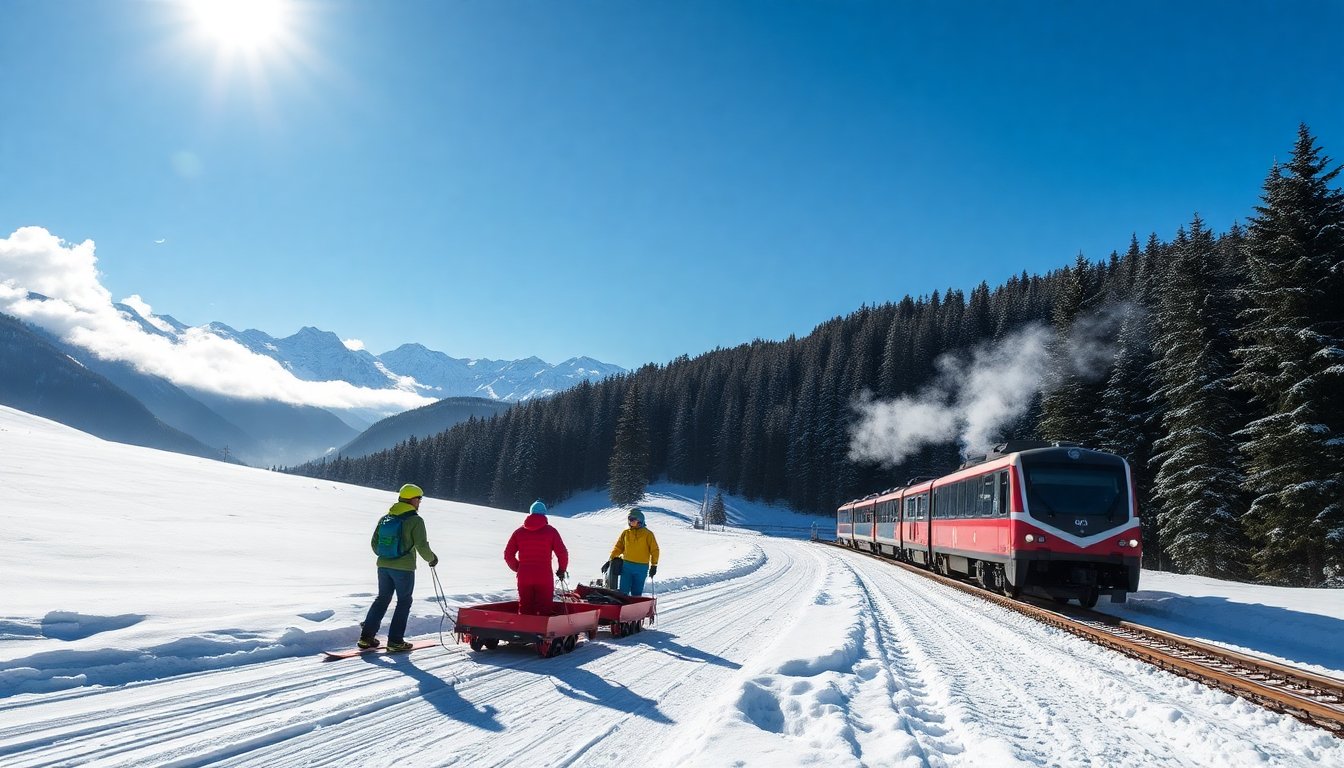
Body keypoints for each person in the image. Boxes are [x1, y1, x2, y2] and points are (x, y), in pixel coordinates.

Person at [359, 483, 438, 652]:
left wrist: (387, 556)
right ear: (412, 499)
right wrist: (432, 559)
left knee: (382, 599)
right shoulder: (415, 520)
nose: (420, 503)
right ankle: (395, 641)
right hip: (404, 569)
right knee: (404, 602)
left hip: (383, 566)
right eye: (419, 499)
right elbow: (422, 545)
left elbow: (374, 544)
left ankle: (366, 638)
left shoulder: (386, 518)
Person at [504, 500, 570, 615]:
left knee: (525, 607)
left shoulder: (518, 532)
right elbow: (562, 553)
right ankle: (542, 631)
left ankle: (525, 631)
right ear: (544, 514)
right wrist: (561, 570)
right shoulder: (551, 531)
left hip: (524, 576)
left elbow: (508, 554)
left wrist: (518, 568)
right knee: (545, 608)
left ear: (530, 513)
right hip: (544, 576)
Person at [603, 507, 660, 596]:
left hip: (641, 567)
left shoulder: (648, 534)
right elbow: (618, 547)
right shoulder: (626, 533)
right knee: (623, 591)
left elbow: (654, 550)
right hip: (627, 566)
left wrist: (654, 565)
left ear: (640, 520)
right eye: (629, 519)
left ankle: (635, 609)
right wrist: (610, 559)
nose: (630, 521)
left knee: (637, 592)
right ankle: (623, 608)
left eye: (633, 519)